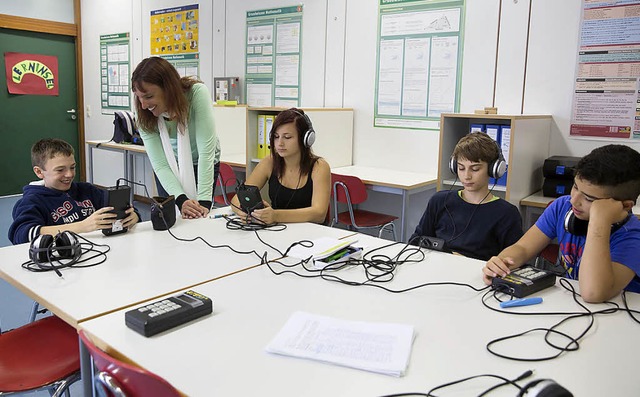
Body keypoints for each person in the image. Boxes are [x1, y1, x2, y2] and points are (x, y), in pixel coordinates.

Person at [482, 144, 640, 303]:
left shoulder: (633, 237)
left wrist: (599, 222)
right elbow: (523, 248)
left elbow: (593, 293)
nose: (574, 200)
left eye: (589, 199)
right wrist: (502, 263)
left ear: (625, 206)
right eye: (575, 187)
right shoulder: (563, 207)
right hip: (573, 305)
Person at [409, 132, 523, 260]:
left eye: (475, 169)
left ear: (492, 169)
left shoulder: (506, 213)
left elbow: (512, 262)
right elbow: (415, 241)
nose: (466, 176)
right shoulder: (440, 201)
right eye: (461, 168)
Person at [132, 56, 221, 219]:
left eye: (149, 96)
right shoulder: (143, 110)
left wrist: (204, 203)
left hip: (203, 161)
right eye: (139, 97)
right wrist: (181, 200)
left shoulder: (196, 94)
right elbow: (160, 164)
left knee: (199, 214)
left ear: (168, 88)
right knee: (171, 217)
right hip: (169, 165)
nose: (143, 104)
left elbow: (206, 154)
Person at [9, 138, 139, 245]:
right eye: (60, 170)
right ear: (39, 172)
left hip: (98, 252)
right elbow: (22, 236)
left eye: (72, 167)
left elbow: (121, 209)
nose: (69, 174)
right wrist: (82, 227)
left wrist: (133, 216)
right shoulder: (32, 201)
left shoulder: (87, 190)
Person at [230, 108, 331, 224]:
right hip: (277, 232)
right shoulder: (269, 162)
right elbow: (236, 199)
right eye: (276, 137)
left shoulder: (319, 167)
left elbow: (319, 214)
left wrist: (276, 215)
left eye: (287, 137)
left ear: (305, 139)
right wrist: (245, 210)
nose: (280, 143)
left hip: (310, 236)